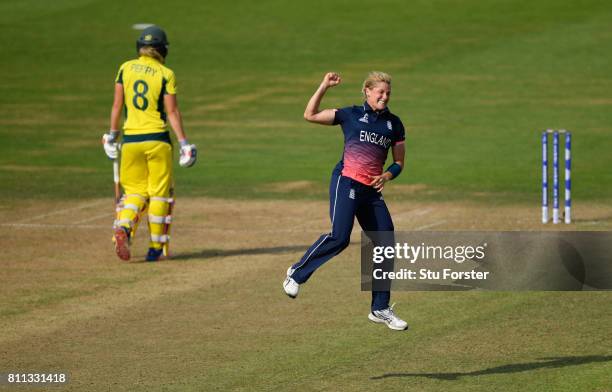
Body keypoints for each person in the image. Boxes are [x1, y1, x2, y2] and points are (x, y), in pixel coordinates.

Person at [283, 71, 408, 331]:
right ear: (367, 91)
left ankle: (380, 308)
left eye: (388, 93)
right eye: (380, 92)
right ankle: (296, 273)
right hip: (347, 181)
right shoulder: (350, 114)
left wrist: (387, 175)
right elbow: (310, 115)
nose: (384, 97)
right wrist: (324, 86)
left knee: (385, 240)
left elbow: (398, 162)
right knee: (340, 237)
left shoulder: (393, 124)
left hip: (371, 191)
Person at [102, 25, 197, 262]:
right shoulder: (166, 74)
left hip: (130, 141)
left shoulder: (125, 68)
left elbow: (116, 106)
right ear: (163, 49)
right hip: (157, 141)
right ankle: (156, 248)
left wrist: (112, 135)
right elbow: (172, 111)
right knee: (159, 195)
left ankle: (124, 227)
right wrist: (184, 143)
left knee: (134, 192)